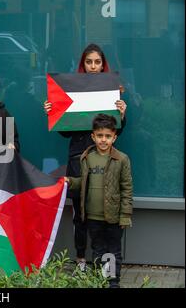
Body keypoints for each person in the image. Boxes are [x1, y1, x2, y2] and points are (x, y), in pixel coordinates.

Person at [43, 43, 128, 270]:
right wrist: (55, 112)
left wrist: (122, 114)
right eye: (89, 62)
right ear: (83, 64)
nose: (93, 66)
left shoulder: (112, 88)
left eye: (97, 62)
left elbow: (116, 131)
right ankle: (81, 259)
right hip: (78, 157)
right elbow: (65, 132)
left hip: (104, 159)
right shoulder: (71, 89)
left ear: (103, 64)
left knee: (102, 209)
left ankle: (105, 265)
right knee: (80, 212)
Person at [64, 114, 133, 288]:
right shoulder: (87, 157)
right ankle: (100, 280)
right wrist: (71, 181)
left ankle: (112, 282)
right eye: (100, 136)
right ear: (93, 136)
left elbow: (127, 189)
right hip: (93, 216)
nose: (103, 140)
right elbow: (84, 182)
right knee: (98, 250)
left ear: (114, 137)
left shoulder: (121, 159)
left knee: (113, 251)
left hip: (113, 216)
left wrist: (125, 215)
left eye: (108, 136)